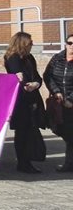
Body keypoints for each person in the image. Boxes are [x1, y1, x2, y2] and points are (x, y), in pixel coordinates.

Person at [1, 32, 45, 175]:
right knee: (22, 131)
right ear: (22, 43)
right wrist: (27, 83)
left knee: (29, 129)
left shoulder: (29, 58)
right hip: (20, 99)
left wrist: (36, 83)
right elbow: (18, 76)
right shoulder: (12, 58)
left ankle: (27, 160)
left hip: (32, 96)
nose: (31, 46)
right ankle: (23, 161)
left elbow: (37, 75)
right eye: (30, 43)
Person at [44, 33, 73, 172]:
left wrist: (71, 99)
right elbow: (47, 75)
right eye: (70, 43)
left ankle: (69, 164)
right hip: (59, 102)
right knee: (59, 129)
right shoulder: (58, 58)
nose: (72, 46)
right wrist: (56, 91)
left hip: (71, 103)